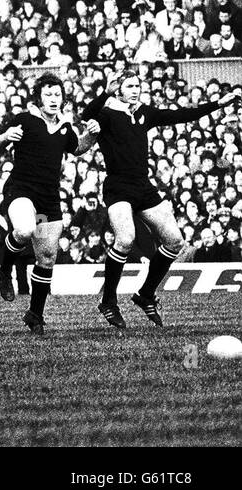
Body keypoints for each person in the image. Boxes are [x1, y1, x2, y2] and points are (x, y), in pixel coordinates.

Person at [81, 72, 240, 328]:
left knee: (175, 241)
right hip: (118, 187)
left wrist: (218, 104)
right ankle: (108, 300)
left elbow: (181, 115)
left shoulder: (144, 112)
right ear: (119, 89)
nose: (135, 90)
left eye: (137, 86)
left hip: (143, 186)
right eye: (129, 86)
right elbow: (86, 115)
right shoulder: (108, 114)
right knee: (125, 239)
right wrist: (107, 92)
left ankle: (145, 295)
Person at [0, 73, 98, 333]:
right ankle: (4, 269)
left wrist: (93, 135)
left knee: (46, 258)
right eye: (48, 94)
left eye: (58, 94)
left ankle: (35, 314)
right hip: (21, 190)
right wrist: (4, 138)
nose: (54, 99)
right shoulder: (25, 120)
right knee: (24, 229)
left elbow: (78, 148)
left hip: (49, 198)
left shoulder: (65, 127)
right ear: (38, 98)